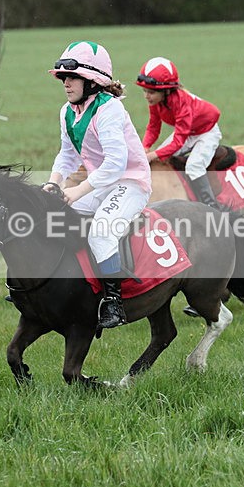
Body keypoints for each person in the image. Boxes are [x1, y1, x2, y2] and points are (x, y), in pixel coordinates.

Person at [44, 41, 152, 329]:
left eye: (72, 77)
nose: (66, 83)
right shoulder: (66, 111)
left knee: (101, 232)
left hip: (131, 183)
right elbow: (66, 154)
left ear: (92, 81)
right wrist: (54, 184)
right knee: (56, 217)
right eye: (64, 78)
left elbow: (116, 165)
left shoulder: (110, 110)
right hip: (103, 182)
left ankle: (113, 302)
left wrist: (76, 191)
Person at [136, 56, 222, 209]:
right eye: (145, 91)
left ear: (166, 91)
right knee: (161, 159)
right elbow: (153, 127)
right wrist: (145, 148)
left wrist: (152, 155)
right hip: (188, 132)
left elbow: (178, 142)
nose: (146, 96)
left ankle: (210, 206)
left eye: (151, 92)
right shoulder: (155, 102)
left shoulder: (182, 103)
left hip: (206, 132)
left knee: (194, 166)